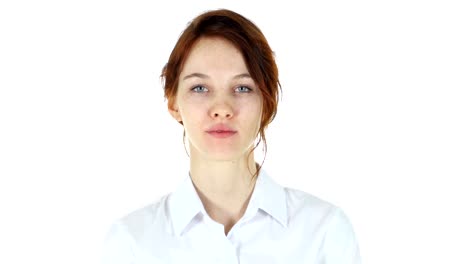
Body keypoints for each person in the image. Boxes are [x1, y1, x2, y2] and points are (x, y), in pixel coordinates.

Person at [102, 8, 361, 264]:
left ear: (267, 102)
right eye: (200, 88)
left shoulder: (325, 233)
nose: (222, 109)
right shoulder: (131, 243)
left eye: (242, 88)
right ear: (173, 103)